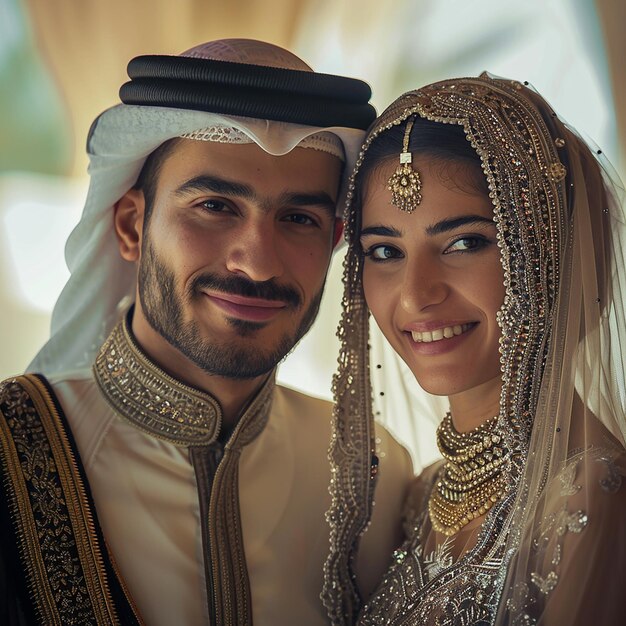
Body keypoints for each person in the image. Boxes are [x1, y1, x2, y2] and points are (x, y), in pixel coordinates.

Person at [0, 39, 413, 626]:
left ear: (336, 240)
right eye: (216, 206)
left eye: (299, 219)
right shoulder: (11, 448)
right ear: (131, 225)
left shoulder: (373, 476)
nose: (258, 262)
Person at [322, 74, 626, 625]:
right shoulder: (420, 498)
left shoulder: (594, 502)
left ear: (546, 250)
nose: (416, 293)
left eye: (464, 243)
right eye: (385, 251)